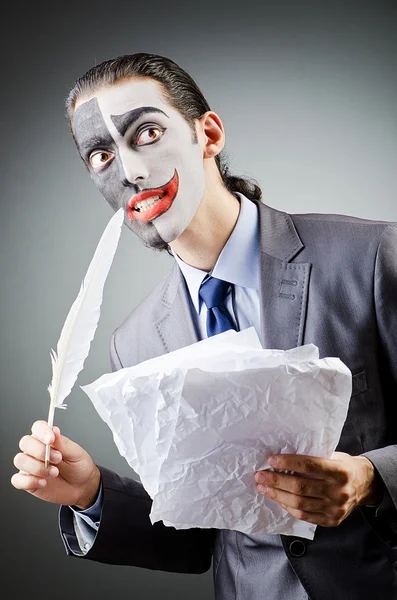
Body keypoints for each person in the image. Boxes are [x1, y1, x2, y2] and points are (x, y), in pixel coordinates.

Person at [11, 53, 397, 599]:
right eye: (101, 154)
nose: (129, 170)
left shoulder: (370, 257)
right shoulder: (137, 343)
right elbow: (199, 540)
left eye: (145, 132)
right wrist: (91, 492)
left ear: (207, 133)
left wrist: (372, 479)